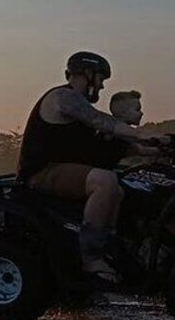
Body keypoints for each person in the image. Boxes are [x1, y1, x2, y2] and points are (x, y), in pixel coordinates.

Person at [16, 52, 169, 287]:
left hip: (67, 170)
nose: (101, 85)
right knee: (105, 181)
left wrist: (161, 145)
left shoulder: (81, 111)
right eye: (100, 79)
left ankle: (121, 251)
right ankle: (91, 259)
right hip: (41, 172)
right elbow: (101, 121)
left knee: (120, 189)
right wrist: (142, 132)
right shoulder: (63, 97)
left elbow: (126, 148)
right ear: (87, 74)